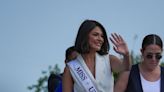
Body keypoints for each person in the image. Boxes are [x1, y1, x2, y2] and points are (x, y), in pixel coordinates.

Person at [62, 19, 131, 92]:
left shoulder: (109, 59)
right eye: (95, 35)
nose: (100, 39)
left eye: (102, 36)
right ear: (84, 36)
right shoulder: (71, 68)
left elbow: (126, 69)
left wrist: (126, 55)